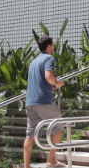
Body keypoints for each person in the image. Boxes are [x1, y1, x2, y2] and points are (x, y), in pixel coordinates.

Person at [24, 35, 66, 168]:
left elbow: (38, 81)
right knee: (58, 125)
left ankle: (26, 166)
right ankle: (51, 160)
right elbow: (49, 76)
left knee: (30, 134)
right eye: (53, 46)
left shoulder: (33, 62)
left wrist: (50, 85)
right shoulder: (49, 58)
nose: (53, 48)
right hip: (44, 101)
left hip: (30, 102)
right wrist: (57, 83)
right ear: (49, 47)